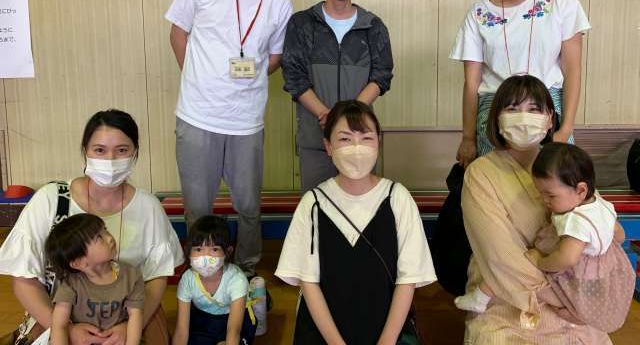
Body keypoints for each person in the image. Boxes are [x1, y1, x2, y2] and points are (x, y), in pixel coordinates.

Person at [166, 0, 293, 276]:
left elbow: (276, 56)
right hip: (197, 116)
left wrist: (250, 77)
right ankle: (202, 270)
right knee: (197, 206)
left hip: (246, 121)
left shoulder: (280, 3)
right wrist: (197, 77)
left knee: (249, 206)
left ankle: (248, 268)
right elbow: (178, 33)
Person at [0, 109, 183, 345]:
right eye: (100, 150)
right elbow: (24, 281)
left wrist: (130, 327)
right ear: (85, 151)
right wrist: (66, 329)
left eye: (122, 150)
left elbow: (156, 277)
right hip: (58, 315)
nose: (110, 160)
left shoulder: (149, 207)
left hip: (130, 316)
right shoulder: (51, 199)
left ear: (135, 152)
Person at [461, 75, 612, 344]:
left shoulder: (567, 164)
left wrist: (585, 301)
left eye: (533, 109)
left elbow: (601, 226)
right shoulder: (480, 173)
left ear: (550, 119)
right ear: (496, 118)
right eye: (512, 109)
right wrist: (562, 301)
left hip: (576, 293)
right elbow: (502, 257)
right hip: (505, 296)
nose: (523, 118)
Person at [275, 100, 436, 344]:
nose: (356, 148)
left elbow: (408, 278)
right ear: (328, 146)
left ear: (378, 143)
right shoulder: (313, 203)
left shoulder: (398, 198)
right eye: (345, 139)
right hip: (323, 333)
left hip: (385, 329)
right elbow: (308, 282)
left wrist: (387, 341)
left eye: (366, 138)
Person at [450, 0, 591, 169]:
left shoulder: (563, 4)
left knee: (553, 179)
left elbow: (573, 70)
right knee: (496, 181)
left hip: (546, 108)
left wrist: (566, 128)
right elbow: (471, 83)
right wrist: (468, 137)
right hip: (495, 110)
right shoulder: (478, 13)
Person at [455, 142, 627, 315]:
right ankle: (480, 297)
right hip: (599, 273)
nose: (544, 200)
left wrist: (541, 262)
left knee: (515, 266)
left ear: (581, 190)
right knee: (509, 265)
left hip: (575, 275)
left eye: (551, 196)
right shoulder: (602, 206)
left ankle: (480, 298)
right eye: (541, 193)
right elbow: (620, 235)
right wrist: (599, 249)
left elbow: (567, 258)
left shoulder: (576, 222)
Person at [281, 0, 393, 192]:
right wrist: (326, 115)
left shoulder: (373, 26)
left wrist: (349, 116)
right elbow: (294, 76)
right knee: (317, 204)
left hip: (360, 138)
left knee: (361, 204)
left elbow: (382, 75)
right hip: (315, 140)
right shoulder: (302, 24)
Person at [46, 214, 144, 345]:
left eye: (105, 230)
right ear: (79, 262)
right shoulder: (71, 283)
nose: (109, 238)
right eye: (99, 237)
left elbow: (135, 316)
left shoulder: (131, 276)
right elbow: (59, 325)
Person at [173, 215, 257, 345]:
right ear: (188, 252)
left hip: (234, 319)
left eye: (214, 249)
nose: (205, 256)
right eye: (198, 249)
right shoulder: (187, 280)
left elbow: (233, 330)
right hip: (204, 319)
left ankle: (259, 297)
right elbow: (181, 330)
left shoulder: (237, 280)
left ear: (228, 252)